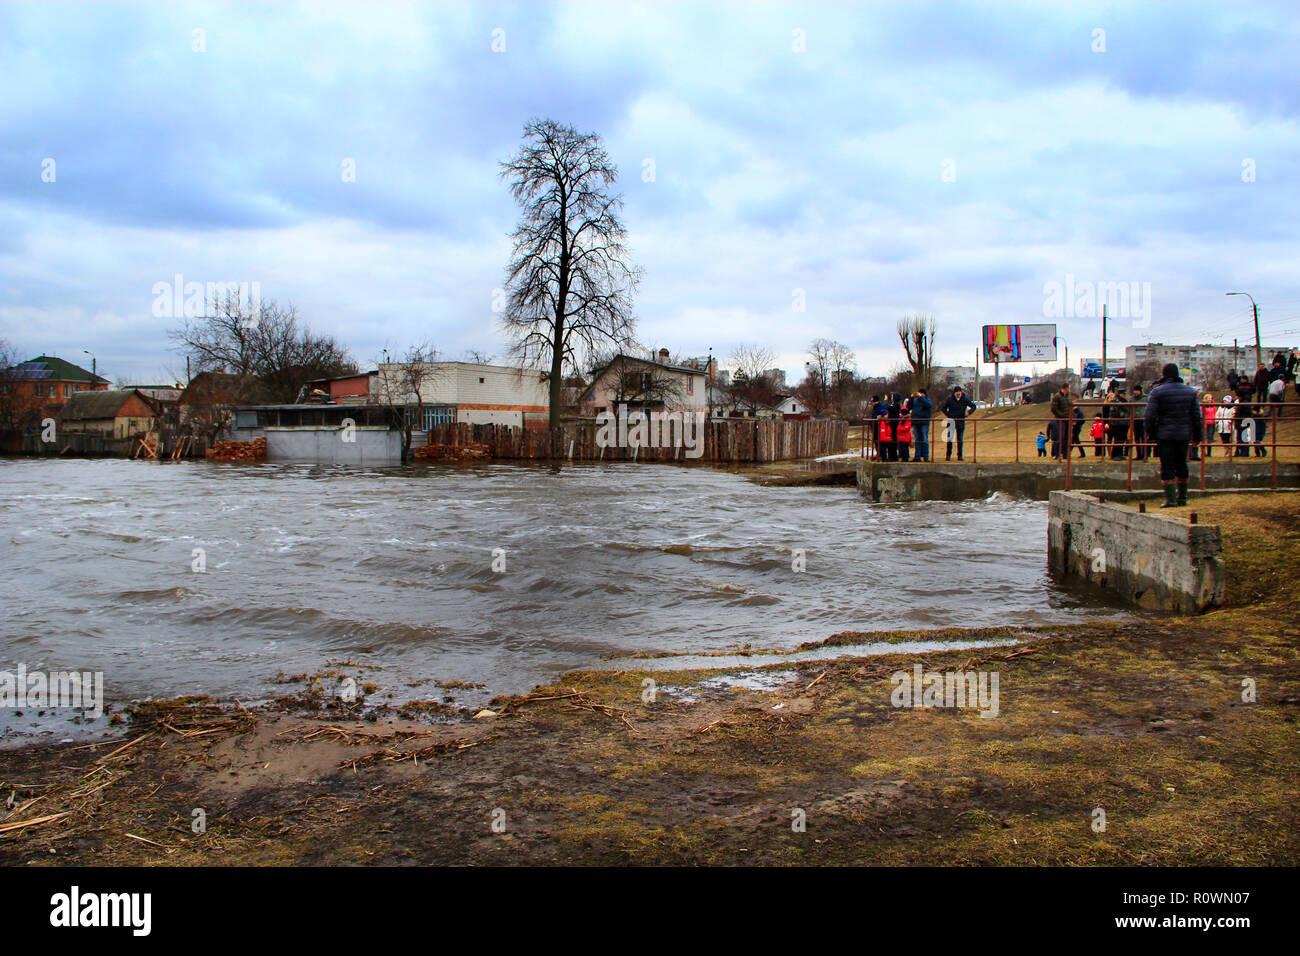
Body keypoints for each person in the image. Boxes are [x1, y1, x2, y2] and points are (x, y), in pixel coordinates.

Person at [1144, 363, 1204, 508]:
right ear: (1177, 374)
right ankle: (1182, 498)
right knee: (1182, 464)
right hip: (1183, 434)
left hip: (1164, 434)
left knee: (1167, 466)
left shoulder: (1157, 392)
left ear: (1164, 375)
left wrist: (1151, 435)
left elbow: (1149, 417)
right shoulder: (1190, 392)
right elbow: (1197, 417)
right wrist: (1197, 437)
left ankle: (1171, 500)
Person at [941, 386, 976, 460]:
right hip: (951, 422)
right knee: (950, 440)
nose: (958, 393)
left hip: (961, 421)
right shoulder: (949, 399)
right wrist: (949, 415)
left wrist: (969, 412)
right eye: (957, 392)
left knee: (960, 440)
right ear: (954, 393)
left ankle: (960, 456)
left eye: (959, 391)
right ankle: (948, 455)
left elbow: (973, 406)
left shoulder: (965, 399)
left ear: (961, 392)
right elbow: (943, 408)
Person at [1048, 382, 1073, 459]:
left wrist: (1072, 417)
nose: (1069, 389)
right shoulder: (1057, 396)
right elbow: (1053, 408)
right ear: (1065, 388)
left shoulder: (1068, 397)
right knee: (1059, 437)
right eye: (1069, 388)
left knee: (1066, 437)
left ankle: (1065, 454)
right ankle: (1056, 454)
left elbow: (1070, 407)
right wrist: (1061, 415)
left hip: (1068, 419)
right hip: (1060, 420)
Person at [910, 387, 932, 462]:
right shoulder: (915, 400)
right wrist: (911, 398)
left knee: (924, 439)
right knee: (917, 440)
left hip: (924, 423)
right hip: (915, 422)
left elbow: (928, 405)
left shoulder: (927, 400)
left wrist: (921, 397)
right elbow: (909, 406)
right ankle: (917, 456)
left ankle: (926, 456)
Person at [1130, 384, 1148, 460]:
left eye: (1137, 390)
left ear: (1140, 391)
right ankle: (1139, 455)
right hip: (1135, 420)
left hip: (1143, 420)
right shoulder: (1132, 399)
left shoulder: (1146, 399)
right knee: (1137, 438)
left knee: (1143, 438)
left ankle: (1145, 455)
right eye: (1135, 390)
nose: (1135, 392)